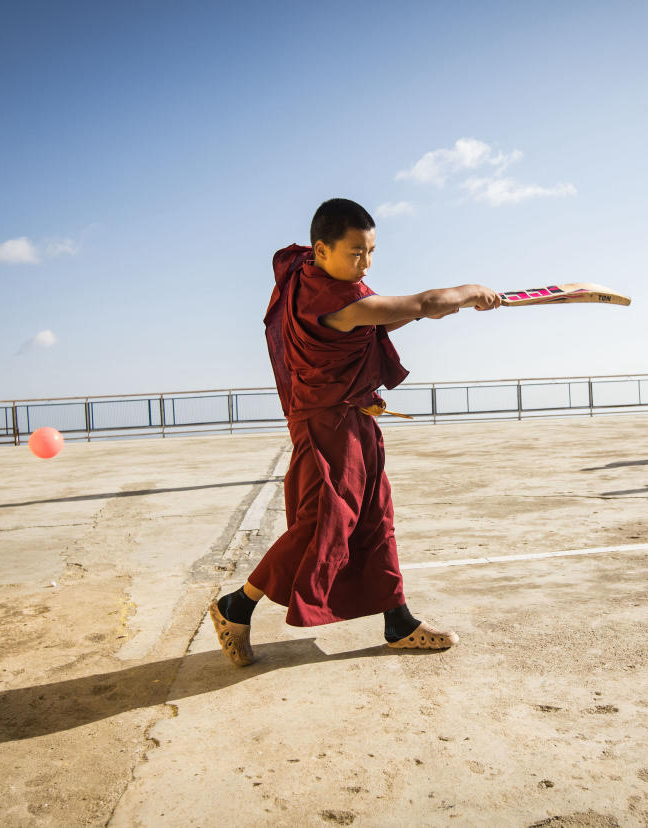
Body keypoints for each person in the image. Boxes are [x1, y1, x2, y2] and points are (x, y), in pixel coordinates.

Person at [209, 198, 500, 666]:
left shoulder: (315, 275)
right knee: (322, 523)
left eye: (370, 252)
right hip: (325, 424)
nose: (364, 263)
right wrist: (467, 293)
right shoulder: (326, 296)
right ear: (321, 250)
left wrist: (434, 311)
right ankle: (235, 605)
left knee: (374, 515)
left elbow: (384, 315)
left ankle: (398, 621)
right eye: (355, 253)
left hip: (354, 417)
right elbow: (411, 304)